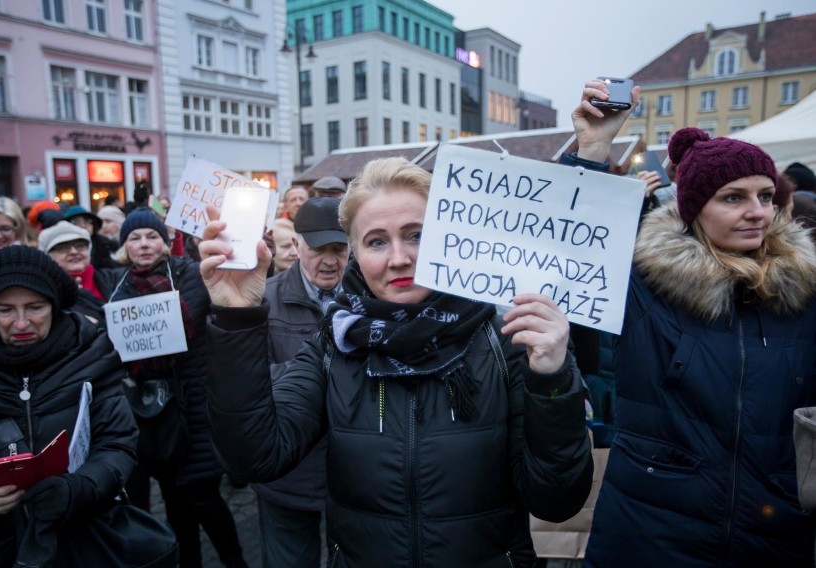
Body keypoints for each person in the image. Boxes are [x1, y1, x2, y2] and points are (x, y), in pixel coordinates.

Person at [200, 157, 593, 567]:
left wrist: (552, 379)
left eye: (416, 235)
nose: (399, 257)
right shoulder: (336, 344)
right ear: (355, 252)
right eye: (376, 241)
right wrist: (238, 317)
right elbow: (254, 456)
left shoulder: (505, 339)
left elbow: (556, 500)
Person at [564, 79, 816, 567]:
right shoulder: (643, 282)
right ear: (694, 207)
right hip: (650, 534)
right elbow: (573, 248)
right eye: (734, 198)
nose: (757, 213)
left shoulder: (804, 292)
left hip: (774, 532)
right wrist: (593, 149)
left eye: (765, 196)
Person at [0, 245, 138, 567]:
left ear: (55, 305)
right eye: (5, 310)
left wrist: (76, 490)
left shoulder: (91, 354)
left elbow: (118, 443)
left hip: (82, 541)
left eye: (35, 307)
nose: (20, 323)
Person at [103, 209, 246, 568]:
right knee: (173, 501)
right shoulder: (117, 287)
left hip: (195, 405)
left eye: (151, 236)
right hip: (155, 413)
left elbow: (191, 318)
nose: (144, 244)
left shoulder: (187, 274)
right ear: (125, 247)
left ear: (165, 243)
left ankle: (235, 561)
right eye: (134, 238)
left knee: (204, 496)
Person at [251, 197, 348, 568]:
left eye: (338, 250)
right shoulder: (263, 297)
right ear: (297, 246)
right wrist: (321, 374)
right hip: (288, 473)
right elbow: (251, 378)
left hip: (354, 473)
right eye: (318, 249)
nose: (328, 261)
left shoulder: (367, 298)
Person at [38, 221, 110, 325]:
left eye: (80, 245)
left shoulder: (112, 279)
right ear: (48, 256)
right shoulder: (46, 292)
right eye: (62, 247)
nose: (74, 252)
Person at [63, 205, 118, 270]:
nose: (83, 226)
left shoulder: (106, 245)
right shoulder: (60, 248)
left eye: (87, 221)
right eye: (76, 222)